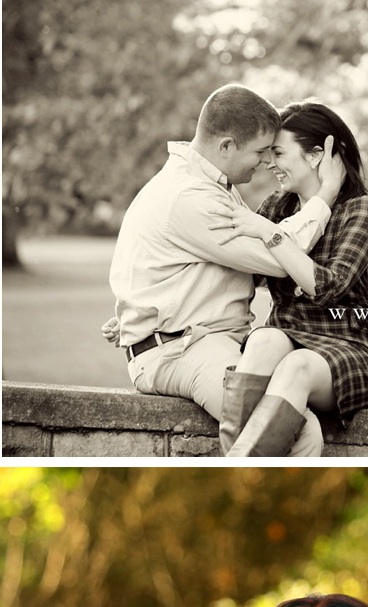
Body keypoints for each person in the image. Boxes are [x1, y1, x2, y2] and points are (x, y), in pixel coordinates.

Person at [109, 83, 350, 457]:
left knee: (290, 408)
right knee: (298, 430)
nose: (265, 162)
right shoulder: (191, 197)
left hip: (196, 341)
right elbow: (275, 256)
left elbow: (245, 267)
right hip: (181, 350)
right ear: (226, 147)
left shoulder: (211, 186)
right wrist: (326, 195)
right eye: (259, 151)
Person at [212, 100, 368, 456]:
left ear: (315, 155)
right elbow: (241, 275)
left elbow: (326, 288)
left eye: (279, 153)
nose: (270, 163)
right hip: (285, 333)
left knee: (296, 367)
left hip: (348, 344)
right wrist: (161, 306)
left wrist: (270, 234)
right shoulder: (277, 207)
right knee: (264, 341)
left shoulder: (360, 209)